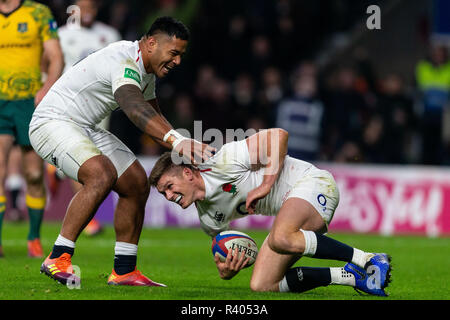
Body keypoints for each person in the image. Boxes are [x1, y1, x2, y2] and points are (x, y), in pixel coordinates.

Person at [29, 16, 214, 287]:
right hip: (52, 122)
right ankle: (58, 257)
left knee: (137, 183)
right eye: (174, 53)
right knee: (101, 174)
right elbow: (133, 107)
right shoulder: (124, 59)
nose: (178, 62)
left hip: (82, 126)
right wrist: (176, 140)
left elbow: (153, 116)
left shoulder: (145, 69)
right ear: (151, 43)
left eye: (181, 55)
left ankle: (124, 270)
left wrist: (185, 148)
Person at [149, 128, 392, 296]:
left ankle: (368, 259)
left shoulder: (221, 161)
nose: (169, 197)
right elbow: (221, 253)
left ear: (188, 173)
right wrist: (226, 270)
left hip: (312, 182)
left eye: (170, 187)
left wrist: (265, 185)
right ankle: (352, 277)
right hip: (293, 209)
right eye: (163, 194)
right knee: (262, 284)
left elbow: (279, 137)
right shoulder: (208, 219)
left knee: (280, 237)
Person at [47, 0, 123, 236]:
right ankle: (89, 220)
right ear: (73, 10)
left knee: (94, 156)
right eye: (82, 8)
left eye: (91, 8)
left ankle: (56, 170)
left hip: (100, 105)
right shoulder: (61, 34)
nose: (87, 12)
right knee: (82, 154)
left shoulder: (109, 34)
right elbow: (50, 64)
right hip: (71, 103)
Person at [0, 0, 64, 258]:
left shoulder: (38, 13)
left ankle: (34, 238)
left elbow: (57, 56)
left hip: (30, 101)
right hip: (1, 101)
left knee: (34, 174)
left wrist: (48, 85)